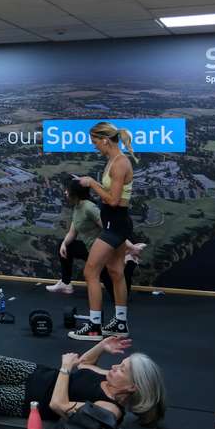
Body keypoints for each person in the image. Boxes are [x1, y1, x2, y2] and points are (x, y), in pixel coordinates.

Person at [0, 336, 166, 427]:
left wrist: (66, 368)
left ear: (132, 387)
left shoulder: (109, 410)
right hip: (35, 374)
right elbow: (85, 364)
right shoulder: (109, 377)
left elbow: (58, 405)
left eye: (122, 369)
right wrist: (101, 346)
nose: (115, 367)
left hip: (27, 402)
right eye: (120, 363)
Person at [70, 122, 136, 340]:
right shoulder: (113, 160)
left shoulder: (120, 163)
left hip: (115, 224)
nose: (94, 146)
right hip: (113, 223)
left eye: (95, 142)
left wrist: (91, 183)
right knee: (116, 272)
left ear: (105, 140)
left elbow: (114, 201)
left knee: (90, 272)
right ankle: (120, 323)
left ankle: (94, 326)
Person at [47, 177, 147, 298]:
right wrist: (64, 244)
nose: (65, 192)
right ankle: (65, 284)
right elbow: (72, 232)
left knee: (118, 297)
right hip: (89, 249)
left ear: (75, 193)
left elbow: (111, 231)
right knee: (66, 246)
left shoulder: (89, 208)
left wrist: (131, 247)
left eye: (67, 190)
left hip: (102, 252)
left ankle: (130, 263)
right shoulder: (77, 207)